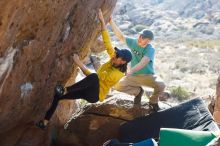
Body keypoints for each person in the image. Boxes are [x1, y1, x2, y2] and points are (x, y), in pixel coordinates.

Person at [36, 9, 132, 130]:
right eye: (116, 53)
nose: (114, 55)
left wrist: (78, 63)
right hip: (88, 88)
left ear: (122, 62)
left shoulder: (116, 75)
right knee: (58, 96)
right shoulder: (115, 59)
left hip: (94, 95)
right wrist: (102, 22)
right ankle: (45, 122)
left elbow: (92, 77)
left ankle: (65, 90)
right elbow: (108, 42)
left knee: (93, 77)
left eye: (117, 56)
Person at [109, 17, 165, 112]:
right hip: (133, 77)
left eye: (144, 39)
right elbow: (121, 36)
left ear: (148, 41)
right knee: (117, 86)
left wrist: (131, 71)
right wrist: (111, 22)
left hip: (147, 76)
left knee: (161, 85)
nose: (140, 39)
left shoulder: (150, 49)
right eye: (140, 36)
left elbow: (144, 62)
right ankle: (138, 92)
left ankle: (153, 102)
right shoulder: (134, 42)